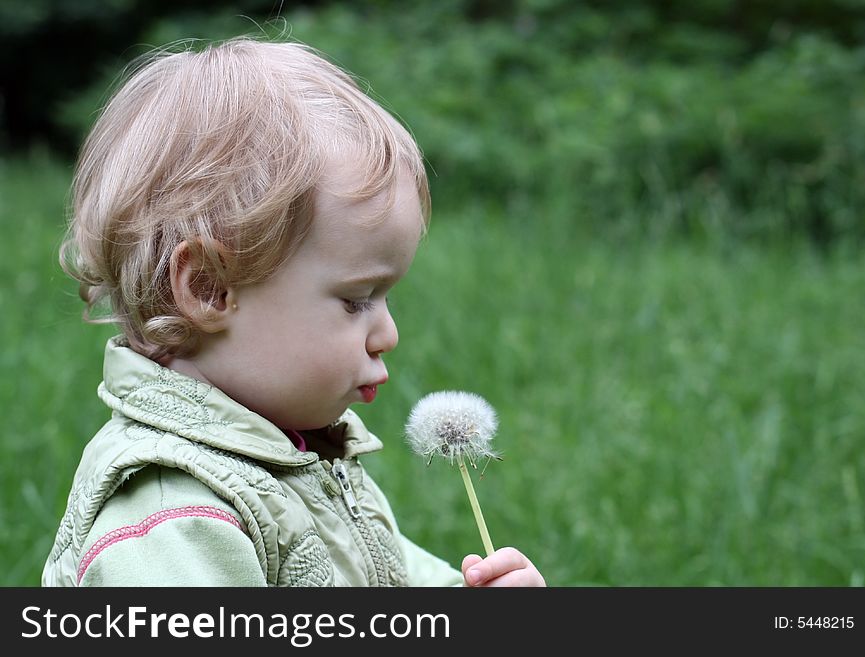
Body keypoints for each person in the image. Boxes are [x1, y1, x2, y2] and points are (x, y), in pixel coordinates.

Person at [42, 37, 545, 587]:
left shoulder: (304, 458)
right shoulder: (175, 522)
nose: (388, 334)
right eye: (356, 300)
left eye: (386, 298)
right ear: (209, 289)